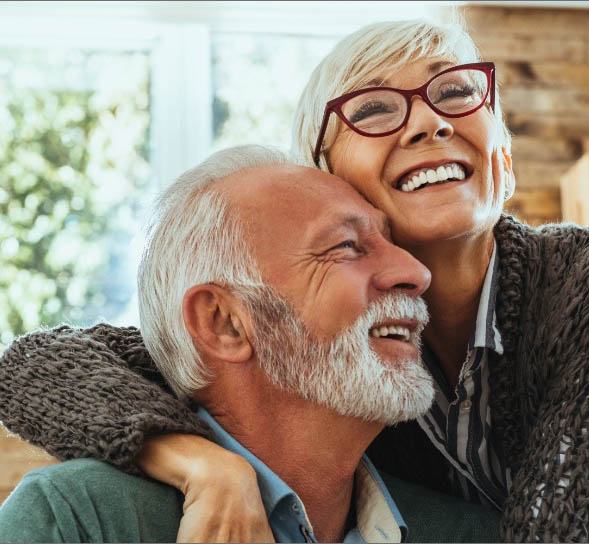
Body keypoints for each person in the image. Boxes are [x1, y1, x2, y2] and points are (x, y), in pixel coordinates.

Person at [1, 17, 589, 543]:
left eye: (455, 91)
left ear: (503, 157)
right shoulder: (340, 346)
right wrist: (203, 464)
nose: (429, 120)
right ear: (324, 176)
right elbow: (39, 365)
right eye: (375, 110)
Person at [0, 145, 500, 543]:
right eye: (346, 247)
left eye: (395, 243)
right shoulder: (75, 522)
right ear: (225, 323)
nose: (415, 272)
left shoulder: (473, 535)